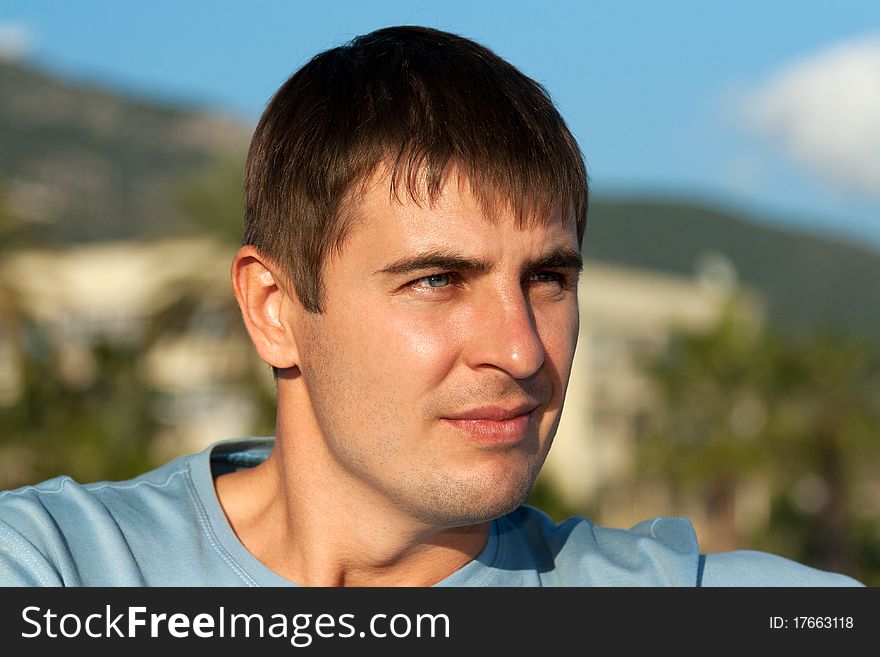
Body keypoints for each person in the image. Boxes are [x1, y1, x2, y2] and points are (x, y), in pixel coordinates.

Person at [0, 25, 862, 587]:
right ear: (273, 307)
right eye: (437, 280)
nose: (521, 351)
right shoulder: (65, 568)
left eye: (547, 278)